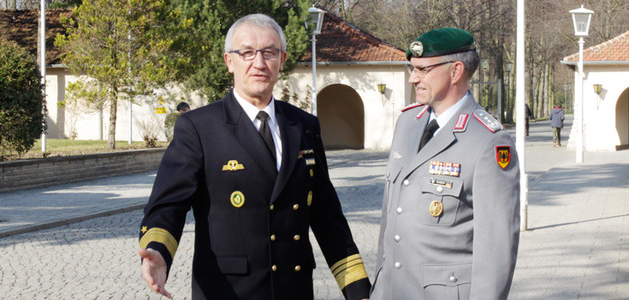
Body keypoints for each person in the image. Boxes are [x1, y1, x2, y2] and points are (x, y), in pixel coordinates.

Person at [138, 14, 371, 300]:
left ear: (282, 60)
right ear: (229, 61)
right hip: (228, 291)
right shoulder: (199, 127)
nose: (259, 63)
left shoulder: (304, 126)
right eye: (247, 52)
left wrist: (357, 288)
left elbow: (326, 214)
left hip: (293, 290)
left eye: (269, 53)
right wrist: (159, 252)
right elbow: (168, 205)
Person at [370, 28, 520, 300]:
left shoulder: (489, 142)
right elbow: (391, 218)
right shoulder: (407, 122)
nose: (412, 78)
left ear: (455, 71)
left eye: (422, 70)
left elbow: (497, 250)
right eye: (411, 68)